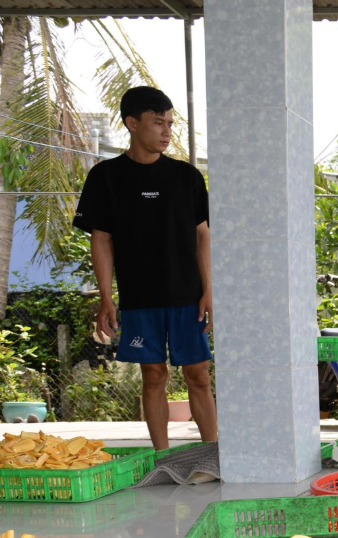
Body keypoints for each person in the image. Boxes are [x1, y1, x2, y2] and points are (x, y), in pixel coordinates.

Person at [75, 86, 216, 451]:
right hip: (139, 300)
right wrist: (107, 298)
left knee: (198, 374)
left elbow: (203, 236)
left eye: (170, 123)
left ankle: (212, 453)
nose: (167, 131)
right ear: (132, 123)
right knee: (153, 376)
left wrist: (209, 291)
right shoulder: (106, 176)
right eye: (158, 123)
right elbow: (101, 240)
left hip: (188, 297)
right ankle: (162, 458)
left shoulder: (187, 177)